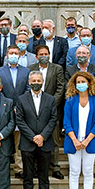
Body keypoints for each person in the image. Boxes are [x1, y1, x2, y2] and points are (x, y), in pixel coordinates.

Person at [16, 71, 58, 189]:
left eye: (38, 80)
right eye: (33, 80)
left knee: (44, 177)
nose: (36, 83)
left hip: (45, 143)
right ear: (29, 82)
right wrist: (33, 137)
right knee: (27, 176)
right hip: (28, 143)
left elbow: (53, 119)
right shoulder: (21, 99)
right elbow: (20, 120)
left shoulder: (50, 99)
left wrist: (42, 136)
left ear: (43, 82)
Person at [63, 71, 95, 189]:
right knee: (73, 172)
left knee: (87, 172)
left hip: (89, 142)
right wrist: (75, 140)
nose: (80, 84)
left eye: (83, 81)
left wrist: (86, 141)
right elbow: (66, 122)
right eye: (78, 82)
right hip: (73, 141)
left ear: (89, 82)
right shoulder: (70, 100)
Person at [29, 45, 65, 180]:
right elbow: (28, 86)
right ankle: (37, 168)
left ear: (49, 55)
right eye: (41, 54)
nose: (44, 56)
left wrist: (50, 103)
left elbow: (61, 87)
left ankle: (55, 167)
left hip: (52, 110)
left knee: (54, 140)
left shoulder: (57, 68)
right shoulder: (31, 69)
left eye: (46, 53)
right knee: (37, 138)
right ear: (37, 56)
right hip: (35, 110)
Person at [0, 45, 30, 179]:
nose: (14, 55)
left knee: (19, 140)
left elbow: (28, 89)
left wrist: (19, 106)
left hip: (21, 110)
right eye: (11, 53)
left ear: (20, 55)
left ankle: (19, 168)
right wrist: (9, 105)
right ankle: (2, 168)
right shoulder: (0, 71)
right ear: (6, 55)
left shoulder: (26, 71)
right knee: (5, 139)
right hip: (5, 109)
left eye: (16, 53)